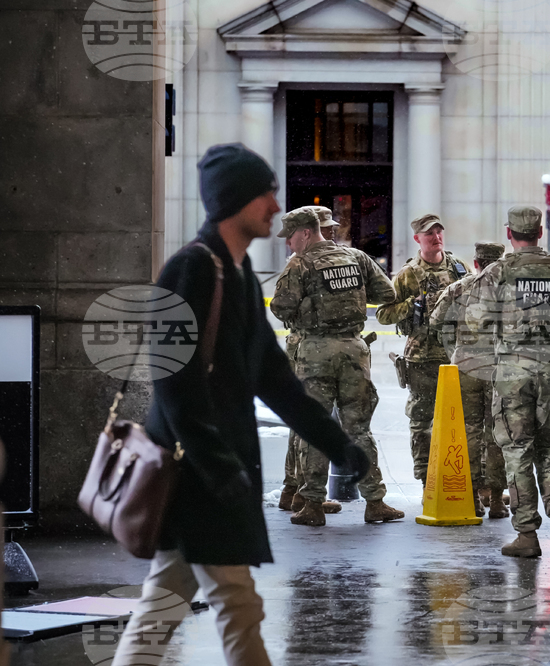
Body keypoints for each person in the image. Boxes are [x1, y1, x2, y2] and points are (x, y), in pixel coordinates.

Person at [111, 143, 370, 666]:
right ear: (234, 199)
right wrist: (220, 467)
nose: (276, 207)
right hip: (199, 476)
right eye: (266, 194)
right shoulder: (192, 269)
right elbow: (173, 383)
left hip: (210, 474)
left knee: (166, 609)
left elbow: (274, 378)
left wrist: (336, 443)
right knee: (237, 606)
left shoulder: (239, 273)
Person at [465, 206, 550, 557]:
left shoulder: (498, 272)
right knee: (548, 446)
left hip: (513, 375)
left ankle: (526, 534)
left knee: (517, 450)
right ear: (540, 232)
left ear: (509, 234)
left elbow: (474, 320)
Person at [270, 207, 403, 525]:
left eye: (291, 237)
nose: (289, 243)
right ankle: (375, 502)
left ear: (305, 233)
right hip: (354, 350)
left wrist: (310, 307)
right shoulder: (356, 257)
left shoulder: (300, 263)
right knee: (359, 429)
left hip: (316, 351)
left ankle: (313, 505)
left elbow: (280, 307)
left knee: (315, 426)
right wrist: (350, 298)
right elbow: (387, 293)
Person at [375, 214, 472, 486]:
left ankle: (469, 482)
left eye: (439, 231)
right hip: (423, 360)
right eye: (429, 233)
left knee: (466, 421)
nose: (436, 237)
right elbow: (383, 314)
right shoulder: (408, 274)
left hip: (458, 357)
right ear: (417, 238)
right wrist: (412, 305)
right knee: (422, 423)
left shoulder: (459, 268)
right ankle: (427, 482)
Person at [429, 241, 509, 519]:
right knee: (498, 432)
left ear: (476, 263)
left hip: (466, 366)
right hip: (499, 367)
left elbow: (436, 321)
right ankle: (497, 499)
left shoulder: (458, 288)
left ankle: (472, 497)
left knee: (467, 432)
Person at [277, 206, 339, 513]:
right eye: (327, 228)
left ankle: (294, 488)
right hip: (306, 347)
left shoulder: (312, 260)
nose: (331, 233)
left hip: (306, 346)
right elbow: (282, 307)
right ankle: (302, 491)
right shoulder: (301, 262)